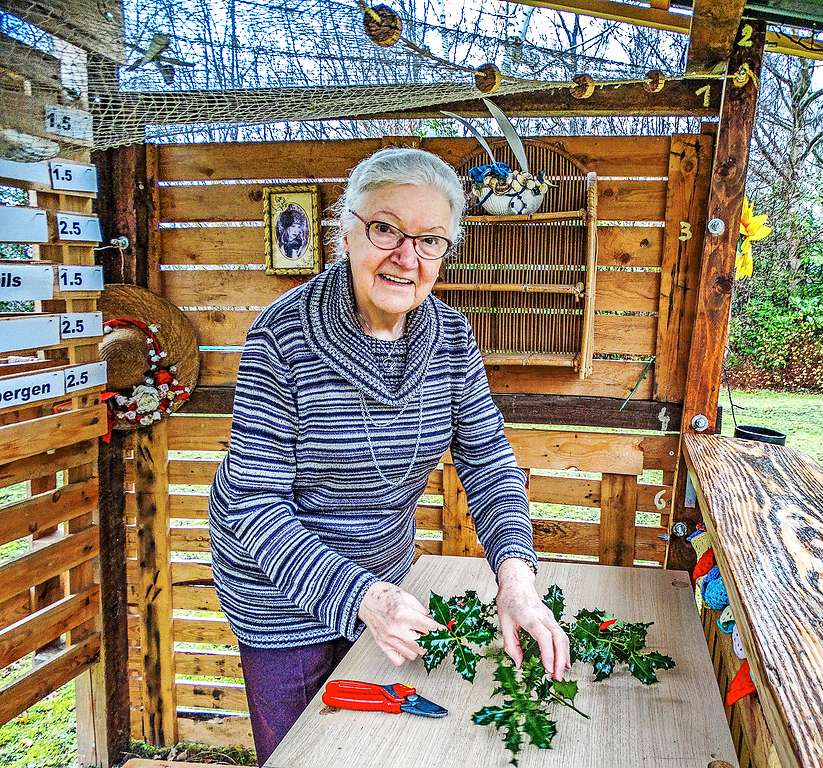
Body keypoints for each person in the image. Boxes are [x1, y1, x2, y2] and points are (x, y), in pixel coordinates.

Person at [208, 147, 570, 765]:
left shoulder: (452, 337)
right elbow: (251, 507)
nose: (407, 257)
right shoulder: (282, 336)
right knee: (307, 754)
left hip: (388, 581)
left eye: (430, 240)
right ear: (347, 230)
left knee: (383, 749)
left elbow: (488, 466)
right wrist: (361, 598)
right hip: (278, 597)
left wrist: (516, 580)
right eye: (386, 229)